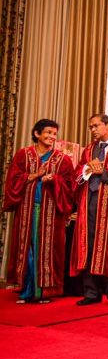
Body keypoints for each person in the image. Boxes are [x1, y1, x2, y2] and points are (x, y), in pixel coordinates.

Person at [3, 119, 74, 303]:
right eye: (48, 132)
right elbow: (12, 181)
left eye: (54, 134)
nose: (52, 137)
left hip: (51, 212)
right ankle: (27, 291)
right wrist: (35, 175)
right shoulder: (23, 155)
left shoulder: (63, 160)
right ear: (37, 133)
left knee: (47, 250)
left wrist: (55, 179)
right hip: (27, 209)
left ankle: (44, 292)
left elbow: (70, 187)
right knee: (27, 250)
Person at [71, 114, 108, 306]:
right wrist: (87, 170)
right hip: (89, 201)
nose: (93, 130)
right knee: (88, 245)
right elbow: (77, 172)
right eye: (91, 127)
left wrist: (103, 171)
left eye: (96, 126)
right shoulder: (89, 149)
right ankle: (91, 292)